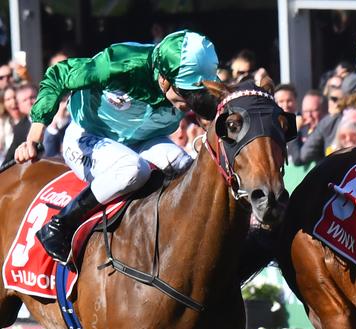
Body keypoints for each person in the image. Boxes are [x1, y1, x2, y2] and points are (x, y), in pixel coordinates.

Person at [14, 30, 220, 264]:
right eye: (187, 93)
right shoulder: (121, 63)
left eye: (198, 94)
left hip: (143, 140)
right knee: (133, 169)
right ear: (164, 78)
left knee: (186, 167)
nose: (192, 102)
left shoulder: (197, 77)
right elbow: (58, 74)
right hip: (88, 133)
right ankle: (60, 225)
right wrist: (33, 137)